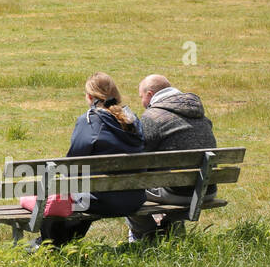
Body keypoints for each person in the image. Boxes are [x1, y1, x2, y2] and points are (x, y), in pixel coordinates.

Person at [35, 73, 147, 247]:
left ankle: (51, 245)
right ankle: (61, 243)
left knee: (60, 195)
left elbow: (72, 164)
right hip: (135, 198)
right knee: (82, 191)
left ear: (89, 96)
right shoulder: (132, 120)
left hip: (101, 201)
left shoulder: (90, 120)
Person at [127, 75, 218, 240]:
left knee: (125, 186)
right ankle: (173, 226)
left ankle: (146, 234)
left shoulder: (153, 117)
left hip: (177, 192)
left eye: (141, 97)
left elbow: (138, 158)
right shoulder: (201, 115)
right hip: (207, 189)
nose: (142, 102)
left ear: (149, 94)